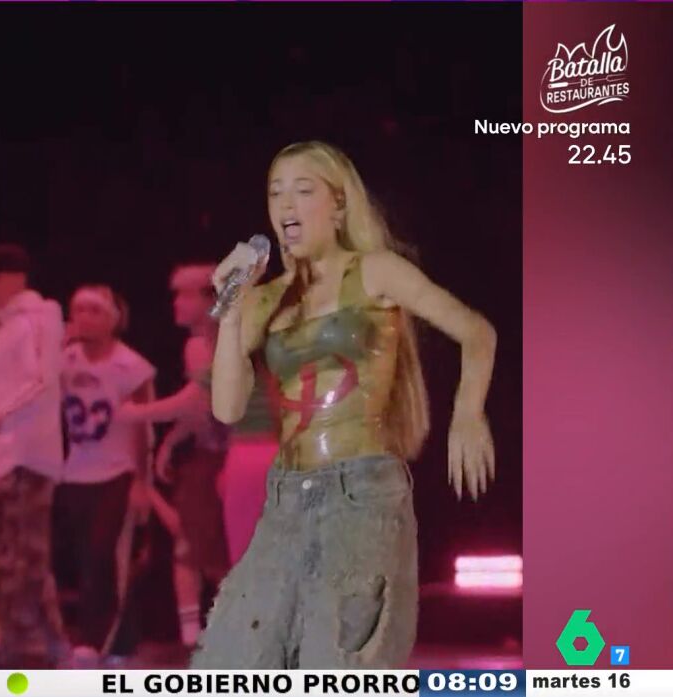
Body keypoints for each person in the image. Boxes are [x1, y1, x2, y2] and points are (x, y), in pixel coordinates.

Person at [192, 140, 497, 669]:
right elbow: (226, 408)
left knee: (333, 665)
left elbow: (476, 331)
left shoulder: (375, 271)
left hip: (359, 494)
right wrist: (233, 310)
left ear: (337, 205)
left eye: (302, 190)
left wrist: (468, 413)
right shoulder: (266, 299)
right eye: (276, 193)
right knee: (232, 665)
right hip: (286, 499)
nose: (286, 204)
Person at [115, 264, 232, 648]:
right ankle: (201, 636)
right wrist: (173, 439)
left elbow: (195, 401)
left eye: (185, 295)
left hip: (233, 456)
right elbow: (202, 408)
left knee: (208, 551)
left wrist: (135, 413)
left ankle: (217, 636)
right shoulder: (204, 343)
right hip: (216, 453)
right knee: (198, 548)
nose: (176, 304)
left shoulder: (216, 342)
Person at [0, 243, 70, 668]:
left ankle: (30, 646)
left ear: (9, 279)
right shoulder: (11, 327)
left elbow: (41, 379)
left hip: (25, 454)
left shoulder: (36, 319)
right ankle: (30, 641)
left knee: (23, 555)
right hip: (7, 455)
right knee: (10, 554)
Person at [55, 285, 155, 665]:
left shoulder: (131, 367)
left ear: (114, 319)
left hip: (118, 471)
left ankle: (103, 640)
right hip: (76, 471)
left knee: (106, 555)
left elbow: (142, 426)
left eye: (94, 311)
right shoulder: (65, 360)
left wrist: (142, 481)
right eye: (78, 310)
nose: (84, 318)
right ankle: (105, 639)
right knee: (86, 558)